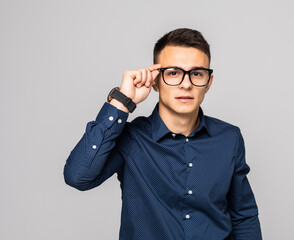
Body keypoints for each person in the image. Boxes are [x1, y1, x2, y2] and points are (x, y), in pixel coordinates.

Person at [64, 28, 262, 240]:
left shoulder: (228, 139)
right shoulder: (132, 138)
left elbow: (243, 217)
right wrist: (121, 101)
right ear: (156, 81)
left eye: (196, 73)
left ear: (208, 83)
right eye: (173, 73)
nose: (186, 84)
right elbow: (78, 177)